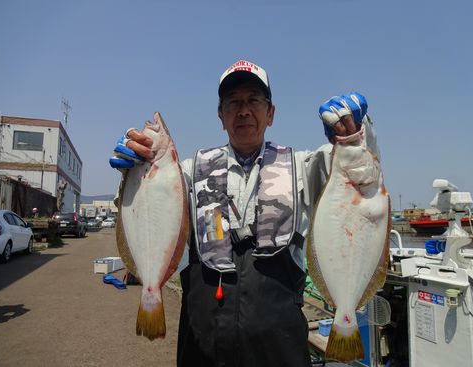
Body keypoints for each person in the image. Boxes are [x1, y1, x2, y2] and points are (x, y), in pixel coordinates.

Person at [110, 59, 378, 367]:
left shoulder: (303, 167)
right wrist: (133, 174)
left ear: (271, 113)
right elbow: (146, 209)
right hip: (202, 346)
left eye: (254, 100)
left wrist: (357, 131)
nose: (244, 110)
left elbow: (359, 173)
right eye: (233, 102)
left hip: (280, 349)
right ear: (221, 116)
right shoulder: (185, 172)